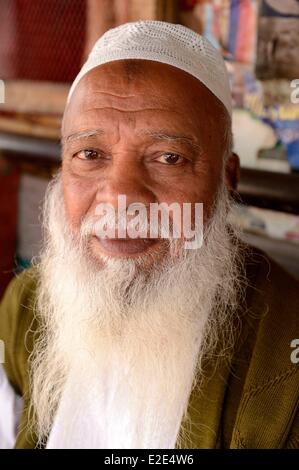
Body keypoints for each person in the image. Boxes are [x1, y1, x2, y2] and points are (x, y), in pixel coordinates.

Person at [0, 21, 298, 449]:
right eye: (90, 154)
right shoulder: (27, 305)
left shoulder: (285, 357)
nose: (121, 197)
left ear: (226, 180)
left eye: (169, 157)